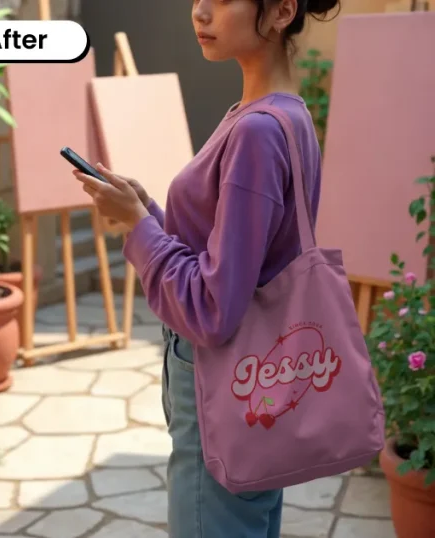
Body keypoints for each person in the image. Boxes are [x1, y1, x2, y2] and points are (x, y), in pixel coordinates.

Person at [74, 0, 340, 536]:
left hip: (224, 382)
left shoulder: (256, 132)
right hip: (264, 377)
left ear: (282, 10)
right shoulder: (286, 116)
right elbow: (236, 258)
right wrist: (146, 213)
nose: (199, 12)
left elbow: (213, 308)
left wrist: (136, 227)